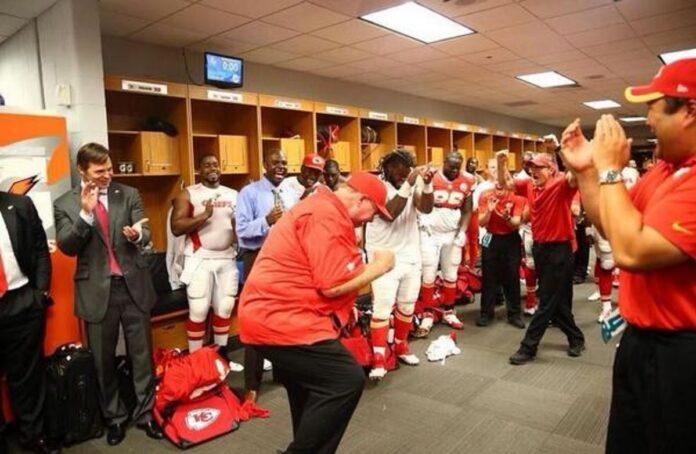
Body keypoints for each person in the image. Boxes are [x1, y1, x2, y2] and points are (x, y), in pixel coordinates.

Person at [560, 57, 696, 453]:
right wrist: (588, 171)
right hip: (641, 340)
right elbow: (612, 226)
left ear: (689, 111)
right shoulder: (665, 170)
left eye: (653, 108)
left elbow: (631, 251)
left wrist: (609, 170)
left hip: (682, 352)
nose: (648, 121)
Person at [238, 172, 395, 454]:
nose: (371, 220)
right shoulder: (326, 214)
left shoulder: (323, 209)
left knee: (309, 391)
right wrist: (381, 265)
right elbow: (333, 285)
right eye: (373, 212)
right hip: (282, 319)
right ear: (361, 198)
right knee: (345, 379)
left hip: (277, 315)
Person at [54, 143, 163, 445]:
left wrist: (138, 234)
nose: (107, 176)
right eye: (100, 171)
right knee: (102, 361)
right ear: (82, 171)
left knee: (141, 357)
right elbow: (67, 246)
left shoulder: (127, 194)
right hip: (96, 292)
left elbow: (146, 229)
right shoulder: (65, 203)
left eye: (110, 169)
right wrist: (85, 215)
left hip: (133, 287)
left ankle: (145, 413)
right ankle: (114, 417)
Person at [501, 151, 585, 365]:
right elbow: (507, 184)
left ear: (551, 169)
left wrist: (566, 151)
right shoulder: (529, 185)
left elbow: (575, 177)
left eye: (538, 167)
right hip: (541, 248)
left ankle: (528, 347)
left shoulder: (560, 184)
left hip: (560, 249)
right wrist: (502, 163)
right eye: (531, 167)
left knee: (546, 301)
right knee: (556, 301)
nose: (533, 171)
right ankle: (576, 338)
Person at [235, 149, 298, 410]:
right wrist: (266, 220)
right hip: (258, 258)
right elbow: (241, 232)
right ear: (264, 165)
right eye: (275, 162)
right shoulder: (248, 193)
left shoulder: (292, 193)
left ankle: (284, 374)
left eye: (284, 162)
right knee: (256, 321)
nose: (280, 166)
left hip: (287, 260)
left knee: (284, 318)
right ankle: (252, 385)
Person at [364, 149, 434, 380]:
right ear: (388, 167)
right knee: (382, 308)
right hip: (383, 257)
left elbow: (426, 208)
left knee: (407, 305)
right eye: (398, 169)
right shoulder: (376, 185)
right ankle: (379, 357)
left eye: (407, 170)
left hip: (409, 255)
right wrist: (409, 184)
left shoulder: (410, 185)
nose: (402, 174)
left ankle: (402, 345)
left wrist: (427, 185)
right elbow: (389, 213)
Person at [0, 192, 58, 454]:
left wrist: (40, 292)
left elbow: (39, 249)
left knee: (27, 377)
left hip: (22, 301)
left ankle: (33, 437)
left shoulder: (19, 204)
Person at [170, 154, 241, 367]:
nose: (213, 168)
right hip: (199, 257)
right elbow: (176, 227)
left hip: (227, 256)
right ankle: (196, 359)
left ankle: (221, 354)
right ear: (199, 170)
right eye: (207, 164)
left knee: (225, 306)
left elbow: (239, 228)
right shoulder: (189, 193)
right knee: (199, 309)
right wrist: (204, 215)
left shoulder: (234, 194)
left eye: (216, 164)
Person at [419, 151, 474, 331]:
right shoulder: (432, 177)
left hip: (451, 233)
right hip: (430, 233)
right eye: (451, 167)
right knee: (429, 274)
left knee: (451, 275)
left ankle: (449, 311)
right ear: (444, 163)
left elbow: (467, 210)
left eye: (458, 167)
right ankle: (427, 313)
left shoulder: (467, 181)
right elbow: (420, 202)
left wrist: (463, 232)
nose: (455, 171)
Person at [476, 184, 525, 328]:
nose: (499, 184)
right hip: (491, 237)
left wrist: (507, 218)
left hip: (511, 238)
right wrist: (489, 212)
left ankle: (514, 314)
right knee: (489, 277)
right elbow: (481, 222)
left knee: (512, 277)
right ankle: (486, 314)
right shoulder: (485, 195)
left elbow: (515, 224)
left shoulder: (516, 196)